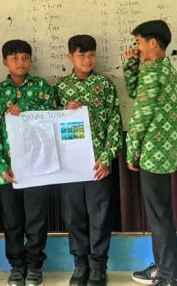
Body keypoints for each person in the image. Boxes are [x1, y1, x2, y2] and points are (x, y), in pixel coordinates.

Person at [0, 39, 57, 286]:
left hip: (38, 166)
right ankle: (16, 266)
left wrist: (24, 106)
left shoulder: (42, 87)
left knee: (36, 220)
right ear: (4, 62)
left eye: (25, 57)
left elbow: (53, 116)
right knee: (13, 221)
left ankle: (34, 265)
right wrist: (0, 165)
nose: (20, 62)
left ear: (31, 60)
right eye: (14, 58)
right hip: (9, 170)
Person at [55, 35, 123, 286]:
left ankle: (98, 266)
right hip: (69, 166)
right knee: (74, 215)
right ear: (70, 57)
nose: (87, 59)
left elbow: (114, 122)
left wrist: (106, 158)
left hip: (97, 165)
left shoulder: (104, 85)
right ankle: (80, 264)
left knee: (99, 215)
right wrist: (64, 111)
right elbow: (49, 124)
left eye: (91, 54)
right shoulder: (61, 88)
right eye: (81, 55)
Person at [124, 21, 177, 286]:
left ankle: (171, 276)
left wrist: (131, 151)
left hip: (153, 151)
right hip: (166, 150)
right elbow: (136, 93)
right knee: (160, 212)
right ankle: (165, 267)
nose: (137, 47)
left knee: (159, 215)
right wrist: (132, 65)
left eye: (139, 42)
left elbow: (141, 114)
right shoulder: (164, 67)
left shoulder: (153, 71)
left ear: (152, 42)